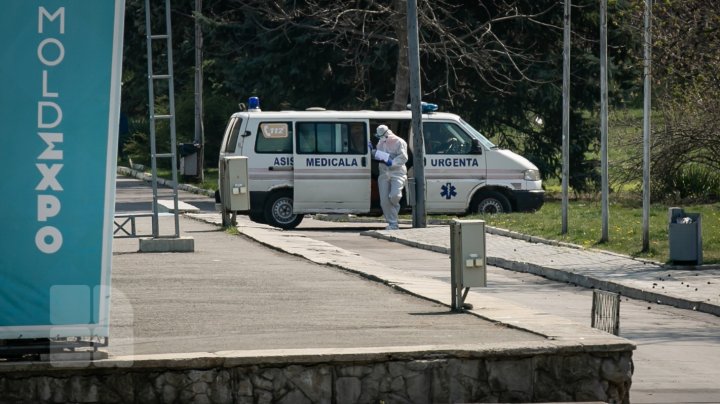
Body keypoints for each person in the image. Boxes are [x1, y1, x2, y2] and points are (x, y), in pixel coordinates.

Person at [370, 124, 408, 230]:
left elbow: (404, 157)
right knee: (384, 201)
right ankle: (393, 223)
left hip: (397, 173)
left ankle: (394, 211)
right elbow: (379, 155)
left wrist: (393, 162)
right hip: (384, 173)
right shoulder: (380, 143)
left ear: (387, 134)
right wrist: (372, 152)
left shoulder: (399, 142)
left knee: (395, 196)